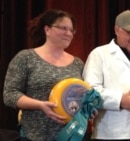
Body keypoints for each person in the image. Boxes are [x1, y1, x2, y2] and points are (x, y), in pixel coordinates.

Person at [3, 9, 85, 140]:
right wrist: (40, 105)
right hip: (34, 136)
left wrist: (89, 108)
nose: (69, 33)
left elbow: (83, 95)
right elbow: (10, 94)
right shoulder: (26, 58)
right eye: (64, 28)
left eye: (72, 30)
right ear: (47, 30)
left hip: (71, 136)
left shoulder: (78, 63)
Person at [82, 10, 130, 140]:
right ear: (117, 30)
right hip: (110, 134)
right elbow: (90, 90)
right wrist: (120, 100)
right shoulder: (99, 54)